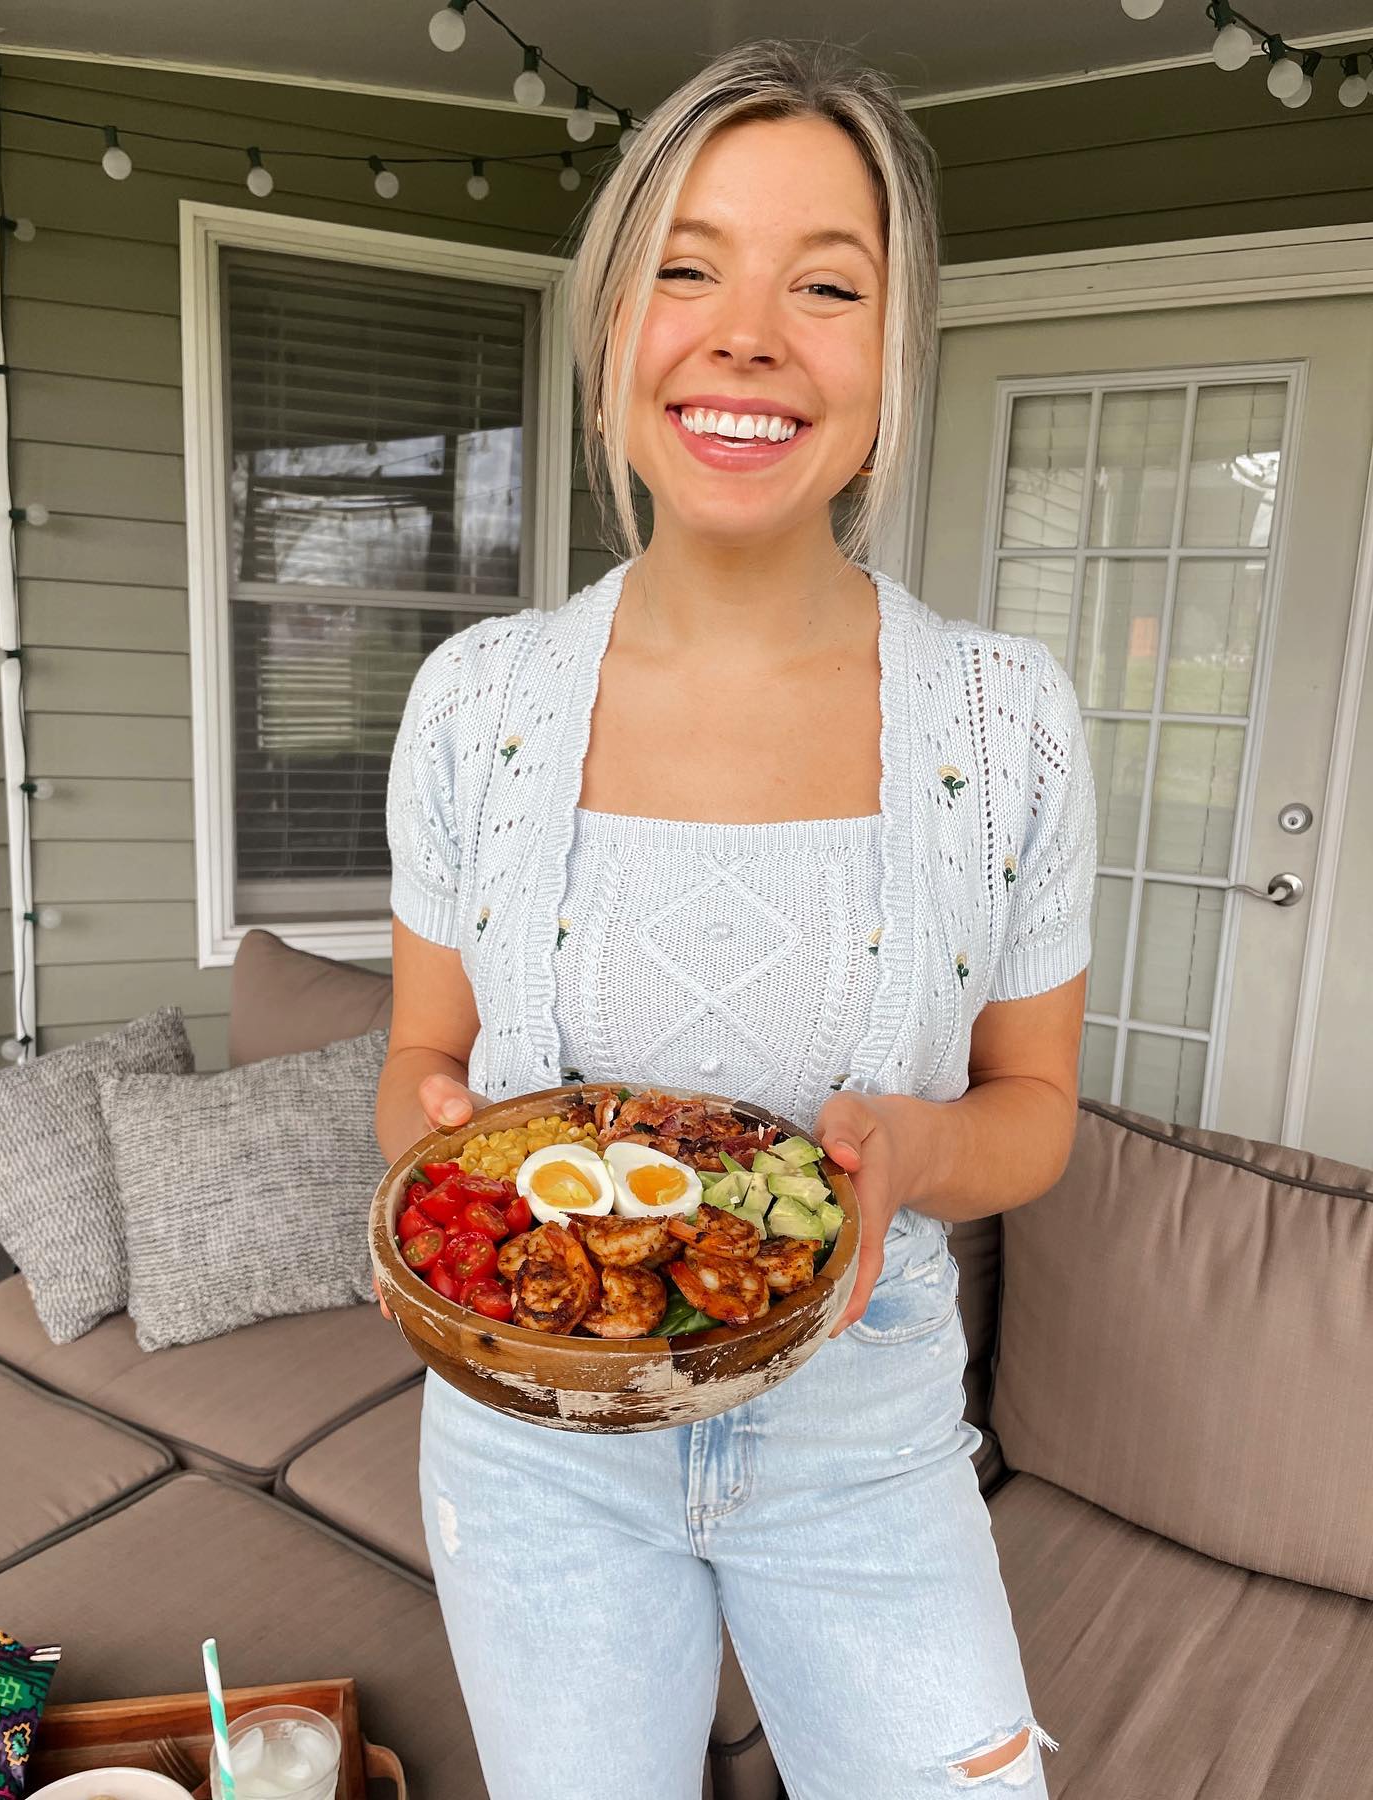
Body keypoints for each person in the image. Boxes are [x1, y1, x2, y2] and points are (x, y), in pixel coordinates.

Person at [376, 37, 1096, 1800]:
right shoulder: (478, 704)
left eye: (825, 285)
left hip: (864, 1437)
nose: (747, 333)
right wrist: (442, 1167)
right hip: (531, 1441)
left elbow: (1036, 1114)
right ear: (615, 324)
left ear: (890, 354)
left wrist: (917, 1154)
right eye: (687, 268)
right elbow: (420, 1059)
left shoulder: (1004, 722)